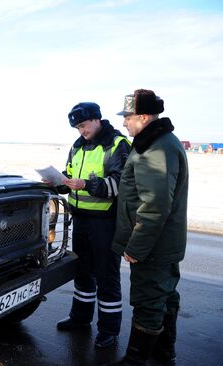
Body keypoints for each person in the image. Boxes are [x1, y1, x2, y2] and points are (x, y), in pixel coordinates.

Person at [110, 89, 188, 366]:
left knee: (149, 302)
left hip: (153, 247)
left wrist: (136, 248)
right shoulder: (157, 142)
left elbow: (154, 206)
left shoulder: (156, 147)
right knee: (165, 297)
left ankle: (136, 360)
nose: (123, 123)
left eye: (127, 117)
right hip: (162, 244)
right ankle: (163, 354)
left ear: (143, 117)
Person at [49, 102, 131, 349]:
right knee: (83, 272)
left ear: (97, 120)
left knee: (107, 277)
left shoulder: (117, 145)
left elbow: (121, 184)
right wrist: (58, 182)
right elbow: (71, 175)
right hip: (81, 221)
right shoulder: (78, 146)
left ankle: (108, 330)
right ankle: (80, 318)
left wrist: (86, 185)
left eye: (83, 125)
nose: (81, 131)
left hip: (106, 223)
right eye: (77, 127)